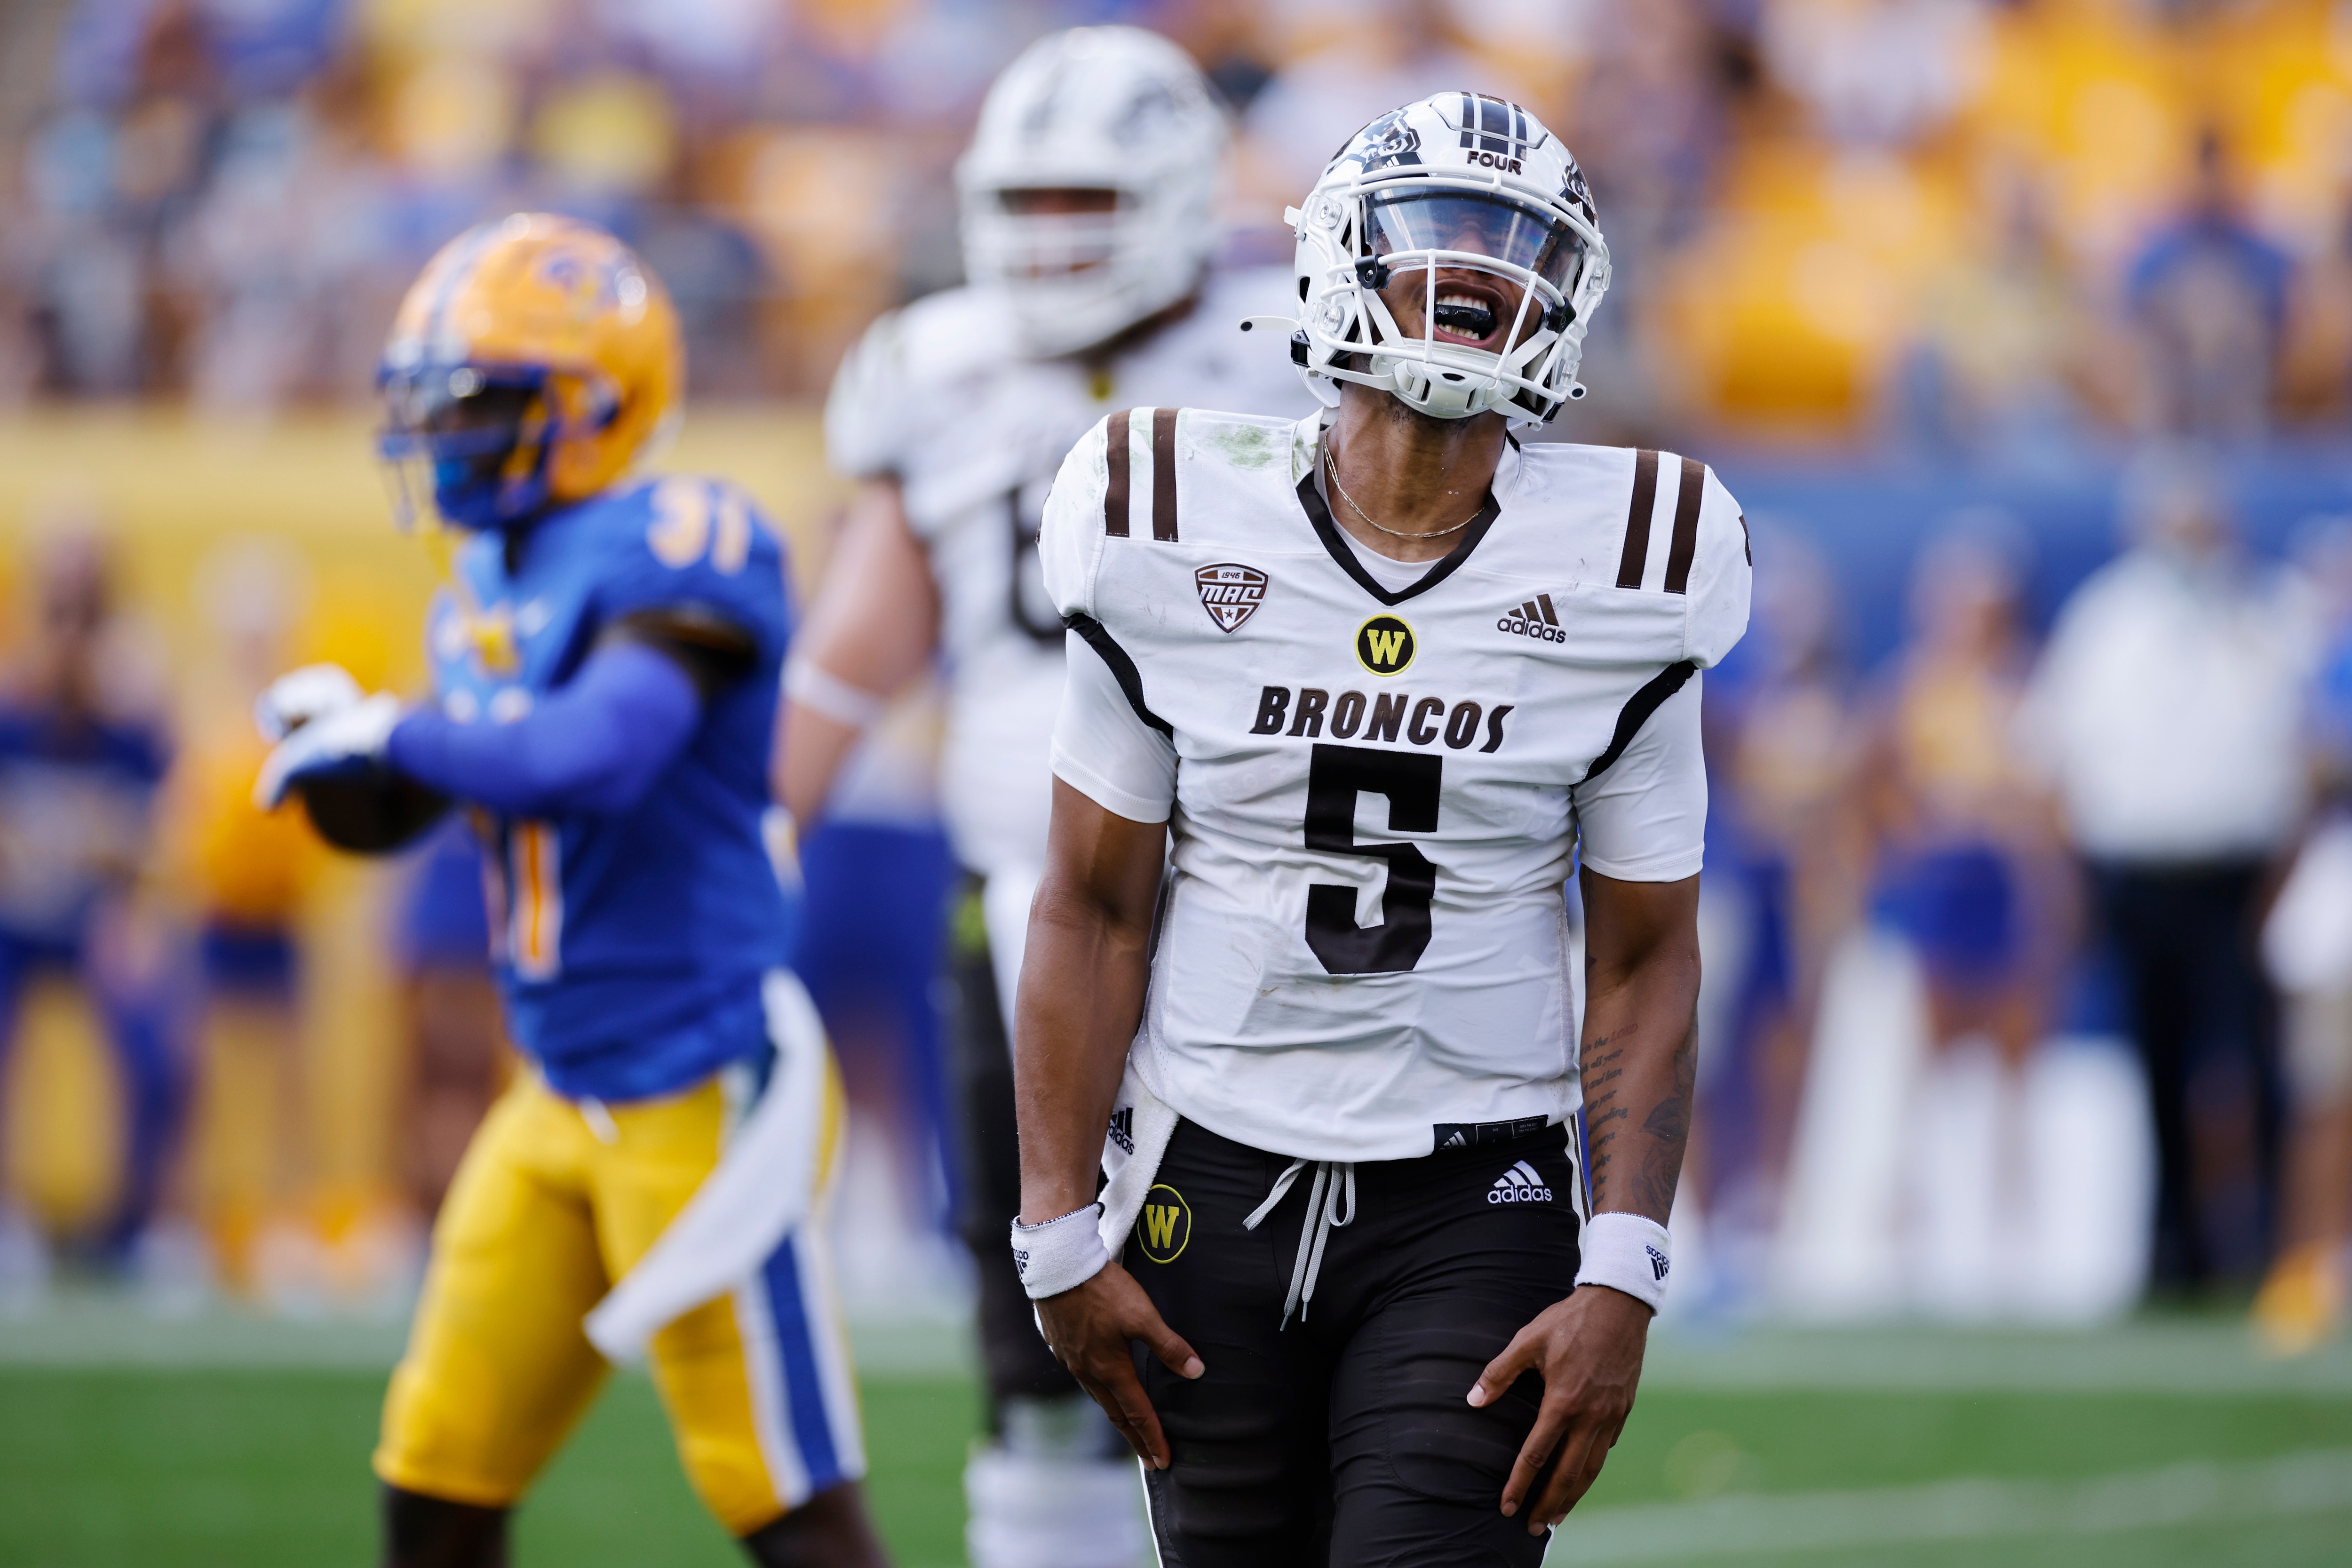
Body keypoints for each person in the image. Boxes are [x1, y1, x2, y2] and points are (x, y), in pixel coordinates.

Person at [1010, 94, 1750, 1563]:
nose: (1479, 281)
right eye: (1445, 237)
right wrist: (1053, 1228)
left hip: (1477, 1188)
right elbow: (1091, 904)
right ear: (1342, 258)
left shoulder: (1637, 563)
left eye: (1519, 250)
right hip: (1203, 1168)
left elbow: (1649, 949)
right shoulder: (1162, 511)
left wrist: (1627, 1261)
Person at [249, 214, 890, 1568]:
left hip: (700, 1086)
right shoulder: (481, 579)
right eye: (438, 407)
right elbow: (428, 792)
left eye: (483, 405)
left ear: (599, 404)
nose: (451, 438)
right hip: (553, 1089)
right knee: (435, 1473)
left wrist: (399, 732)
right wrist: (341, 754)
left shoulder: (685, 534)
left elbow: (597, 753)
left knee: (789, 1510)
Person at [778, 28, 1309, 1568]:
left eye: (1090, 201)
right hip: (1019, 905)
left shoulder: (1291, 344)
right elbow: (854, 643)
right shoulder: (934, 367)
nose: (1053, 238)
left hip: (1244, 908)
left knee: (1258, 1322)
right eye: (1031, 202)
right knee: (1039, 1333)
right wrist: (761, 837)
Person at [2022, 451, 2317, 1295]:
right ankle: (2172, 1244)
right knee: (2156, 1061)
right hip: (2138, 875)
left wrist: (2281, 877)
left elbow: (2300, 755)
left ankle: (2266, 1239)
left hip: (2241, 874)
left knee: (2251, 1060)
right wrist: (2069, 886)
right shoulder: (2107, 619)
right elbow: (2055, 760)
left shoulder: (2270, 611)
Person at [0, 528, 191, 1308]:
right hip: (15, 923)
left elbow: (157, 835)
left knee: (156, 1055)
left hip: (94, 923)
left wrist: (126, 897)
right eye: (60, 610)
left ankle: (132, 1228)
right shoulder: (15, 708)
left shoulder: (133, 713)